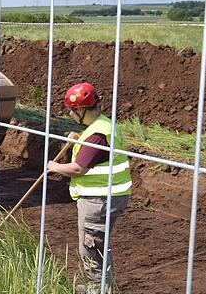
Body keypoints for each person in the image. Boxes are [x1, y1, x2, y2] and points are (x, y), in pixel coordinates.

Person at [47, 83, 132, 294]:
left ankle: (98, 288)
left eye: (72, 111)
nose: (70, 114)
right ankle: (100, 285)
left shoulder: (97, 135)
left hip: (99, 200)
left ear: (81, 110)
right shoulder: (101, 126)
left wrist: (54, 166)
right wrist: (79, 140)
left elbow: (78, 168)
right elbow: (93, 152)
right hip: (106, 196)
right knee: (96, 244)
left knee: (92, 246)